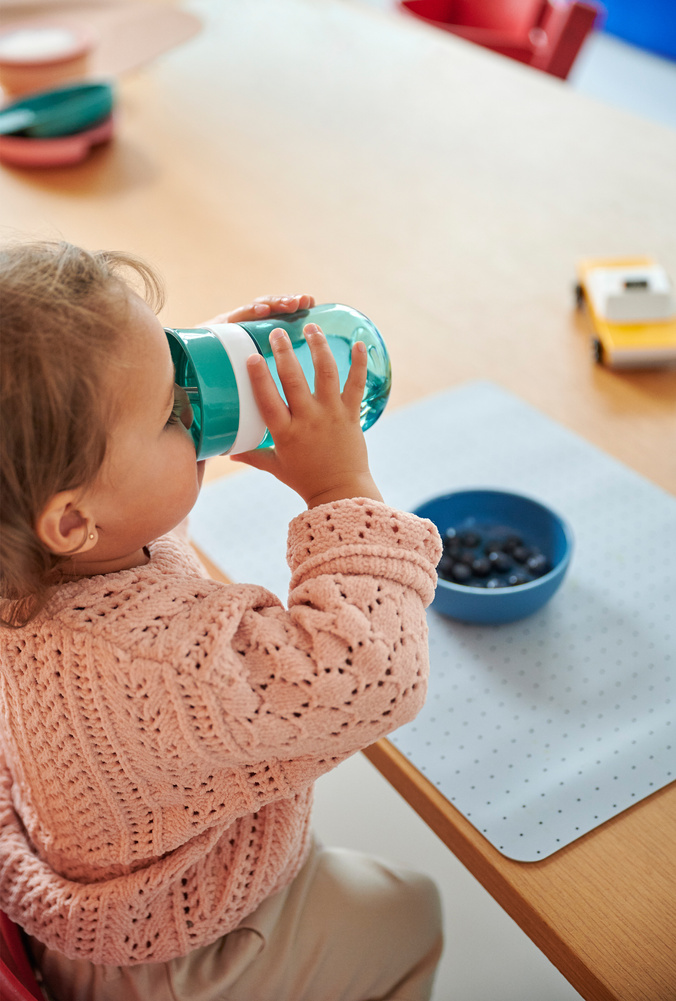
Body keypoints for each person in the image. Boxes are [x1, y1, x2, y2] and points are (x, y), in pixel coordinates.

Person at [0, 240, 443, 1001]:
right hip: (180, 954)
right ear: (71, 520)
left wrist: (198, 376)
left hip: (102, 888)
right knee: (408, 914)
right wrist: (339, 487)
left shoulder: (38, 556)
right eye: (173, 411)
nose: (194, 408)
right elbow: (373, 672)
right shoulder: (162, 661)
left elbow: (132, 499)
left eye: (181, 359)